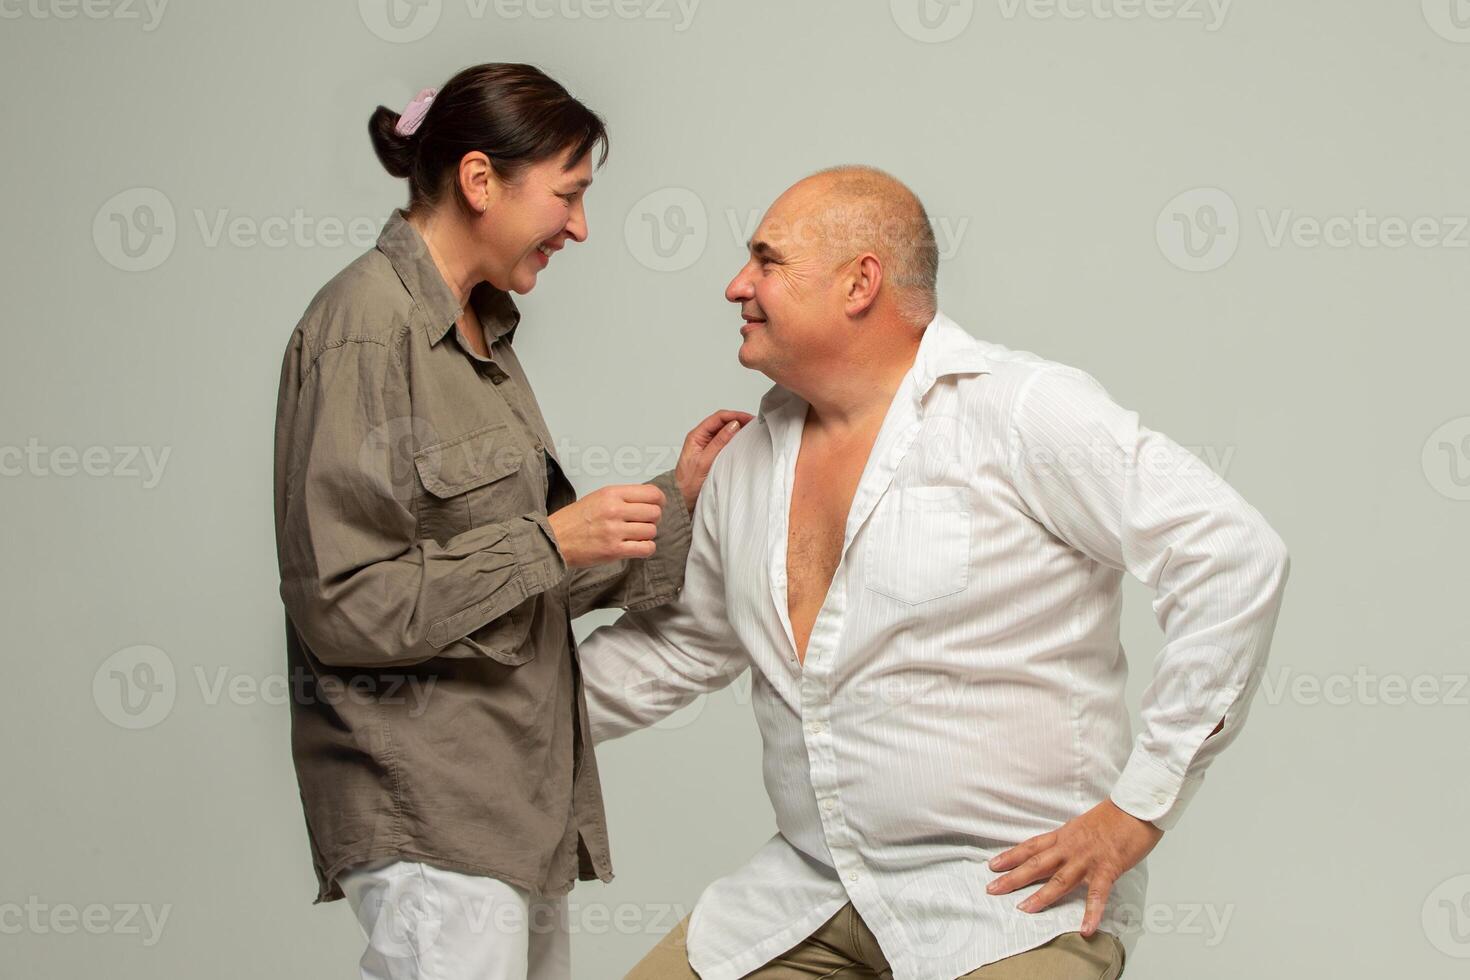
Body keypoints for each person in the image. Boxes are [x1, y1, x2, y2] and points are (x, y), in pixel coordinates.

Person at [577, 165, 1291, 980]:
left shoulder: (1020, 410)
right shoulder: (746, 460)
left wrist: (1140, 808)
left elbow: (1231, 554)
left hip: (1008, 905)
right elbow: (680, 649)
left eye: (767, 261)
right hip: (808, 890)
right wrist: (466, 721)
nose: (737, 285)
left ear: (860, 283)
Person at [270, 63, 749, 980]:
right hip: (430, 810)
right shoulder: (365, 331)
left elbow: (515, 583)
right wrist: (548, 540)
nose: (580, 227)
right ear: (480, 179)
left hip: (508, 804)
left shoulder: (480, 334)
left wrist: (678, 495)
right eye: (567, 196)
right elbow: (343, 603)